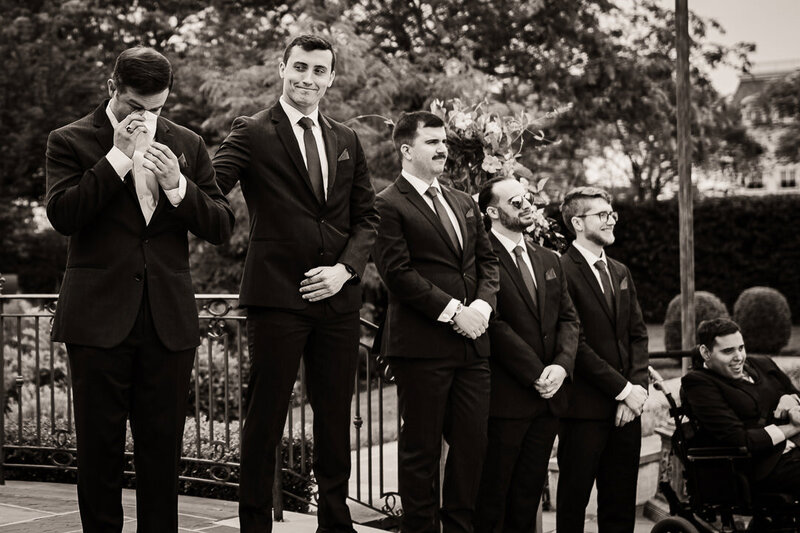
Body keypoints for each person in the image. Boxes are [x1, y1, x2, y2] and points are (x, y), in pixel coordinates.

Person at [45, 46, 234, 532]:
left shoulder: (187, 144)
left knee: (162, 451)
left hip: (167, 321)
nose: (147, 117)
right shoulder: (69, 140)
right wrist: (117, 158)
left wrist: (178, 187)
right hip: (97, 321)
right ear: (112, 89)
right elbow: (63, 216)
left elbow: (222, 226)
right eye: (135, 106)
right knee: (99, 450)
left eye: (157, 107)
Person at [211, 34, 378, 533]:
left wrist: (344, 271)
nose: (308, 78)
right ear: (282, 68)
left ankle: (334, 520)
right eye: (299, 67)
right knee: (265, 417)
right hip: (278, 297)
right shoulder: (253, 130)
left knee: (333, 417)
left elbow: (366, 218)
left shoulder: (346, 138)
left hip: (338, 301)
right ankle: (255, 522)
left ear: (331, 77)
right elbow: (211, 188)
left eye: (319, 70)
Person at [372, 111, 499, 533]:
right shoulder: (387, 204)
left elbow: (487, 263)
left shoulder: (463, 201)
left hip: (473, 346)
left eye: (443, 140)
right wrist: (453, 312)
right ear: (407, 150)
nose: (443, 148)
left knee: (472, 447)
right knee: (421, 450)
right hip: (422, 346)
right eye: (432, 142)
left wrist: (479, 310)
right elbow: (397, 273)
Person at [473, 177, 579, 533]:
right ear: (492, 212)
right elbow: (493, 322)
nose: (527, 205)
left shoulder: (548, 257)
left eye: (528, 199)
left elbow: (568, 318)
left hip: (549, 401)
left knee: (528, 497)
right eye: (516, 202)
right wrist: (537, 372)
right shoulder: (480, 258)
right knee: (493, 499)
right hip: (506, 399)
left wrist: (561, 367)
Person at [556, 186, 649, 533]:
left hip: (628, 412)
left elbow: (637, 335)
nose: (610, 220)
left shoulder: (621, 271)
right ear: (578, 223)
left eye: (611, 214)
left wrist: (635, 392)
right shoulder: (561, 270)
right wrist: (622, 389)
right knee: (573, 503)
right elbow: (574, 345)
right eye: (602, 215)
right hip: (583, 410)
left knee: (621, 503)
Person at [682, 317, 800, 496]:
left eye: (741, 348)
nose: (739, 357)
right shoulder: (699, 384)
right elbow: (739, 439)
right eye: (728, 351)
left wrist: (790, 399)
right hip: (761, 467)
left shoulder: (762, 364)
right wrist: (792, 427)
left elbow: (796, 393)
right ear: (706, 353)